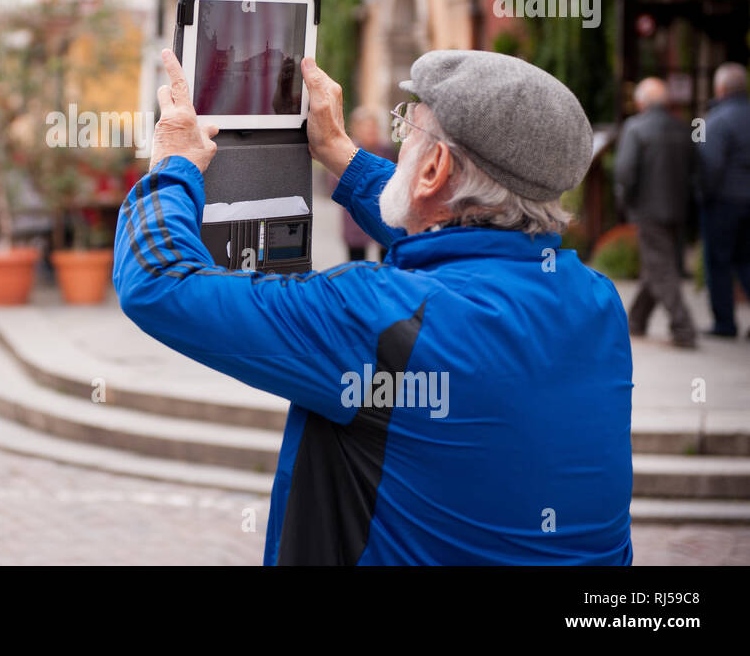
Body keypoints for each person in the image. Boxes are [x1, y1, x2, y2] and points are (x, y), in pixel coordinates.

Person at [114, 48, 631, 565]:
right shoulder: (597, 301)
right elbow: (465, 243)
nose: (400, 140)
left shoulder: (379, 316)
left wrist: (173, 166)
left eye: (408, 131)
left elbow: (159, 282)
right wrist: (340, 152)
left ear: (434, 168)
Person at [613, 78, 697, 348]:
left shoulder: (636, 128)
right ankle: (636, 321)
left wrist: (625, 203)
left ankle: (683, 327)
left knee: (661, 269)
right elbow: (696, 172)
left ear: (641, 103)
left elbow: (625, 171)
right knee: (657, 265)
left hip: (649, 209)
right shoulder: (683, 129)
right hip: (678, 209)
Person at [699, 61, 750, 338]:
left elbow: (710, 167)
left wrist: (703, 197)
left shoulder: (717, 121)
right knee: (746, 261)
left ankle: (725, 323)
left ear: (720, 89)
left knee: (719, 263)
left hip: (724, 203)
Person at [327, 107, 395, 262]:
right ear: (357, 128)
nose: (372, 131)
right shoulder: (347, 151)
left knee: (386, 262)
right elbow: (334, 183)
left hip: (383, 217)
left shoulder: (386, 150)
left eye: (374, 127)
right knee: (357, 262)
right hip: (355, 218)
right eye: (367, 127)